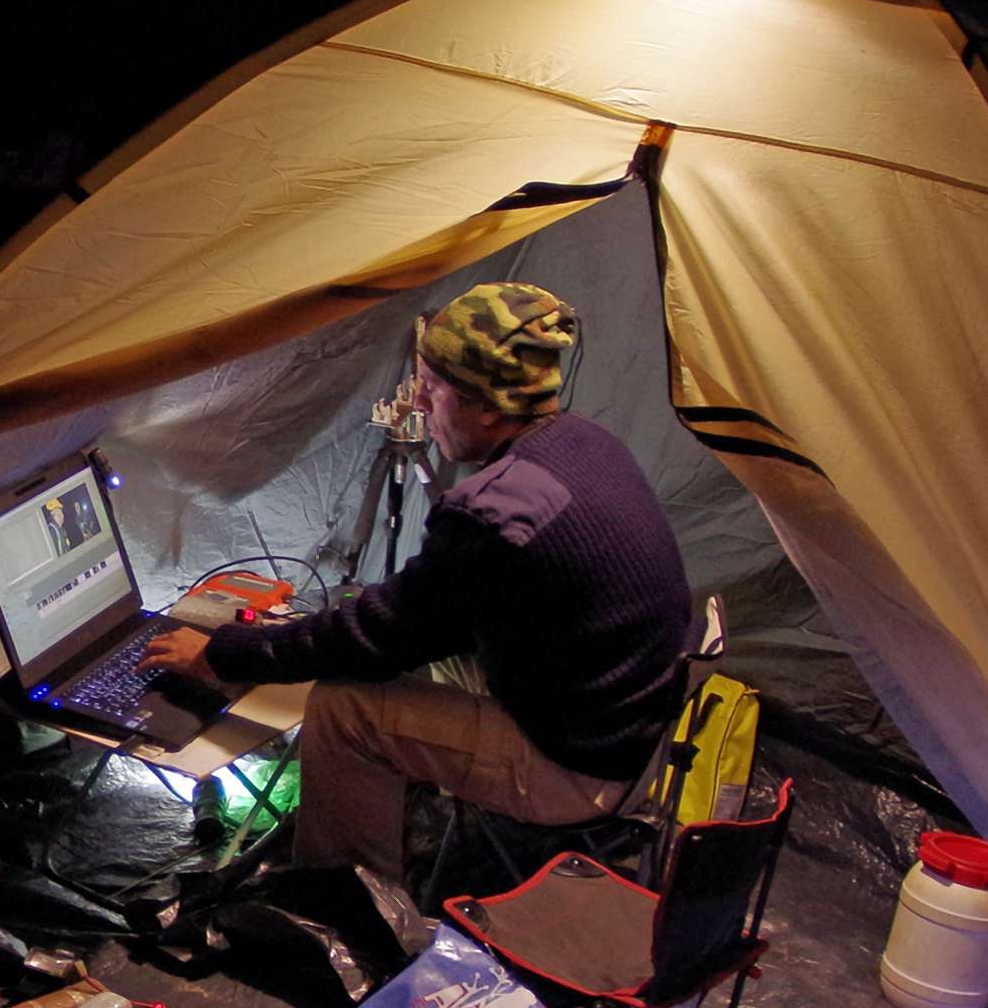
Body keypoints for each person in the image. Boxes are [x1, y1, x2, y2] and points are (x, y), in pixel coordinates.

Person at [140, 282, 693, 890]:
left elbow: (375, 639)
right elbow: (419, 620)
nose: (420, 405)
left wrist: (223, 654)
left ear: (486, 405)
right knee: (401, 657)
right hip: (635, 735)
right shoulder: (587, 443)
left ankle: (346, 899)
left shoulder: (493, 515)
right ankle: (393, 817)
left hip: (580, 772)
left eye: (432, 389)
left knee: (344, 706)